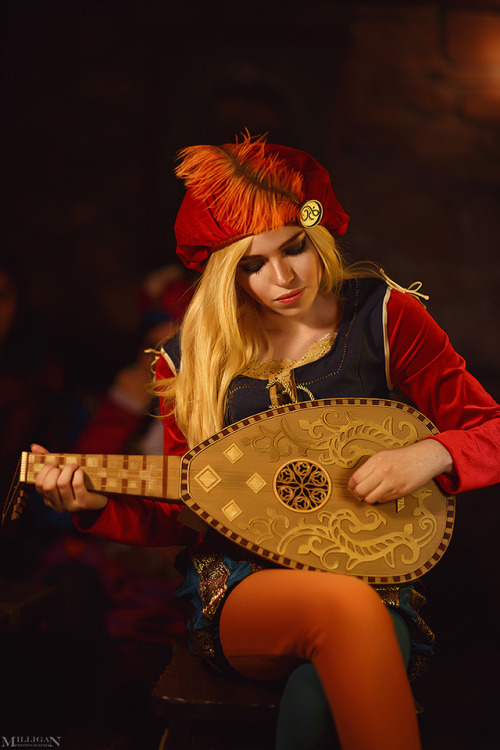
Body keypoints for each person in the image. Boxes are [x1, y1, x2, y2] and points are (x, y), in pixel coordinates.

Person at [33, 133, 500, 750]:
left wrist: (433, 452)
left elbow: (489, 429)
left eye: (294, 249)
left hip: (378, 581)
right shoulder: (192, 361)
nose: (282, 277)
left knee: (318, 696)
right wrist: (92, 504)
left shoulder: (386, 319)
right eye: (252, 264)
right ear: (226, 272)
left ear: (319, 233)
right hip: (245, 592)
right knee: (347, 611)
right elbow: (187, 510)